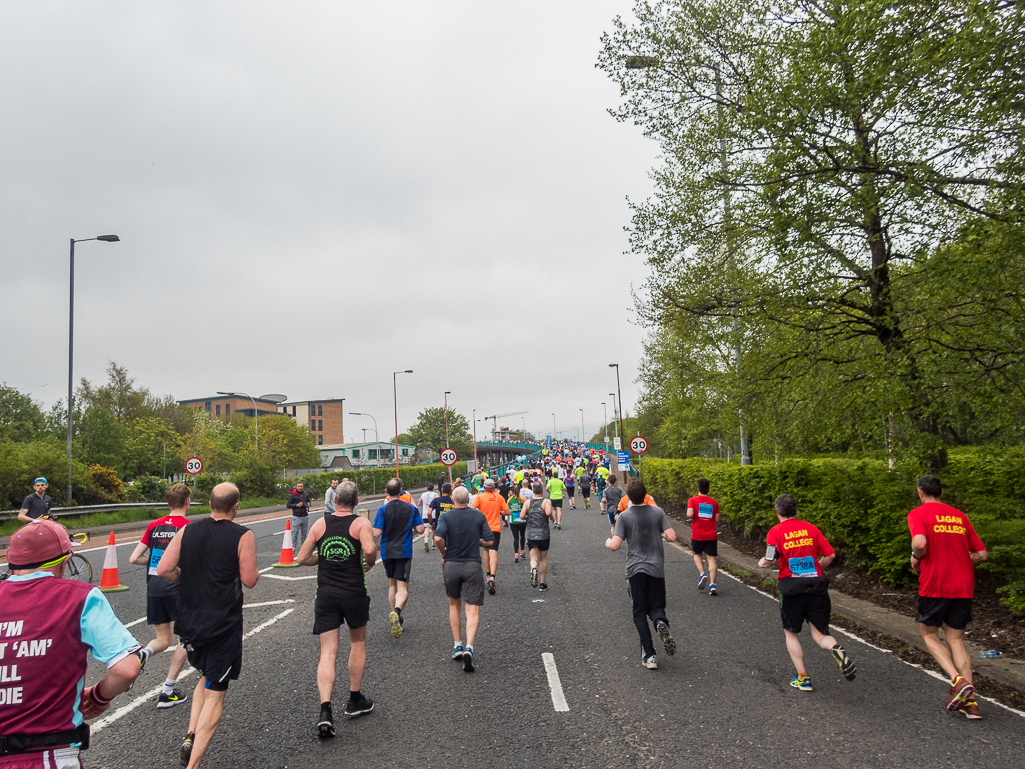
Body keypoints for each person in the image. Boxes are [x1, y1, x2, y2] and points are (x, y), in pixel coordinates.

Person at [0, 520, 142, 767]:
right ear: (65, 563)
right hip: (47, 753)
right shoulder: (80, 596)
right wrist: (98, 697)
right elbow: (127, 668)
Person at [157, 482, 260, 769]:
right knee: (216, 690)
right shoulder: (243, 534)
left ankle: (191, 734)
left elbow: (164, 568)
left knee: (205, 674)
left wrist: (189, 579)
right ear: (235, 506)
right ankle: (193, 765)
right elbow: (250, 580)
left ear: (210, 503)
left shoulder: (187, 530)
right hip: (222, 624)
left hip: (188, 622)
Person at [296, 481, 378, 739]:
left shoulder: (321, 524)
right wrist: (369, 563)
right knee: (358, 643)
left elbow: (301, 558)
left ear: (335, 501)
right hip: (354, 592)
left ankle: (325, 710)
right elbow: (368, 549)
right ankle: (354, 699)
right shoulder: (360, 524)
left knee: (327, 651)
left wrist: (323, 556)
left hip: (326, 594)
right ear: (356, 502)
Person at [757, 493, 856, 693]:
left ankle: (803, 678)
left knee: (791, 634)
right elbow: (830, 554)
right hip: (816, 587)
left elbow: (770, 559)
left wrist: (762, 563)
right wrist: (817, 568)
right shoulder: (811, 529)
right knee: (820, 635)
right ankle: (835, 648)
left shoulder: (775, 532)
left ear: (778, 512)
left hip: (791, 589)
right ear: (795, 510)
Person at [908, 474, 987, 718]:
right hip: (963, 584)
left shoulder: (918, 513)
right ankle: (970, 703)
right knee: (956, 639)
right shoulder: (960, 516)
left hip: (936, 584)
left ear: (921, 493)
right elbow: (982, 554)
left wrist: (916, 557)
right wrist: (961, 561)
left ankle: (957, 681)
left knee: (929, 634)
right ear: (941, 492)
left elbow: (920, 543)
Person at [127, 482, 191, 709]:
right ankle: (167, 690)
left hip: (154, 587)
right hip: (177, 587)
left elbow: (134, 558)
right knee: (185, 639)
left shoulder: (154, 525)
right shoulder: (189, 526)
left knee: (163, 639)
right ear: (187, 501)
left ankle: (142, 654)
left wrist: (155, 563)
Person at [605, 478, 678, 670]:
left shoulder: (625, 517)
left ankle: (650, 655)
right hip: (656, 568)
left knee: (639, 612)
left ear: (628, 496)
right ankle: (660, 622)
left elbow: (614, 545)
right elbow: (672, 536)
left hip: (636, 569)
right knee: (656, 607)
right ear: (646, 495)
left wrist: (607, 541)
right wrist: (660, 532)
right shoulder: (657, 512)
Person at [434, 487, 493, 672]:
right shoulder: (477, 516)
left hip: (451, 564)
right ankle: (470, 648)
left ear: (453, 500)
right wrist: (478, 542)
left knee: (454, 605)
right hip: (472, 565)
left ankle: (457, 645)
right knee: (472, 608)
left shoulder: (446, 517)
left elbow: (437, 538)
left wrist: (444, 552)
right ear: (468, 499)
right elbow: (490, 540)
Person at [372, 478, 424, 638]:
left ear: (387, 492)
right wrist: (411, 531)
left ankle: (394, 615)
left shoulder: (382, 510)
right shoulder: (411, 509)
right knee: (403, 588)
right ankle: (397, 611)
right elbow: (421, 529)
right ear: (402, 489)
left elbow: (376, 533)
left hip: (387, 550)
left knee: (391, 585)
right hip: (404, 550)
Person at [471, 478, 509, 595]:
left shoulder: (479, 497)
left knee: (485, 551)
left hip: (483, 528)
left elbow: (472, 509)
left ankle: (487, 574)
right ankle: (493, 576)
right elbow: (508, 512)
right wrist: (499, 512)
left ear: (484, 487)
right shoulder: (499, 498)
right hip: (495, 528)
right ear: (493, 488)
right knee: (494, 552)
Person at [686, 478, 720, 596]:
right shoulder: (714, 502)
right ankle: (712, 584)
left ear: (698, 489)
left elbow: (689, 514)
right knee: (711, 558)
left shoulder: (692, 500)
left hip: (698, 534)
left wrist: (695, 515)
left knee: (697, 554)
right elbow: (717, 519)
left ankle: (702, 574)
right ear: (708, 490)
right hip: (711, 534)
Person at [524, 482, 554, 591]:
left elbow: (522, 515)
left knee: (533, 558)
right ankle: (542, 583)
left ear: (533, 491)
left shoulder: (528, 502)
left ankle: (533, 568)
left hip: (532, 534)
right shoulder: (546, 501)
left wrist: (529, 515)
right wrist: (552, 518)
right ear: (542, 491)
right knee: (543, 558)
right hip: (544, 533)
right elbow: (548, 513)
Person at [287, 480, 312, 555]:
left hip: (305, 515)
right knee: (295, 533)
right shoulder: (292, 495)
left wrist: (308, 504)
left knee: (304, 533)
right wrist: (297, 505)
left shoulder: (305, 494)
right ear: (296, 487)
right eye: (299, 486)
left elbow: (309, 501)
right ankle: (293, 547)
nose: (300, 488)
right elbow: (288, 505)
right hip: (297, 516)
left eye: (301, 486)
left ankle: (303, 547)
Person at [507, 483, 527, 563]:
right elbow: (526, 509)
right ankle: (522, 550)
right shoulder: (523, 499)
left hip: (513, 520)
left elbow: (508, 509)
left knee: (515, 537)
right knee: (522, 535)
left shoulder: (510, 500)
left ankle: (516, 553)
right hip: (522, 520)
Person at [418, 482, 439, 552]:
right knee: (433, 528)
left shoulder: (423, 494)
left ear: (427, 488)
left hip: (425, 513)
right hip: (433, 513)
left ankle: (426, 541)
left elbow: (419, 503)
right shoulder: (435, 494)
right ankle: (433, 544)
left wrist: (424, 505)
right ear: (433, 488)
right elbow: (438, 501)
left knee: (426, 528)